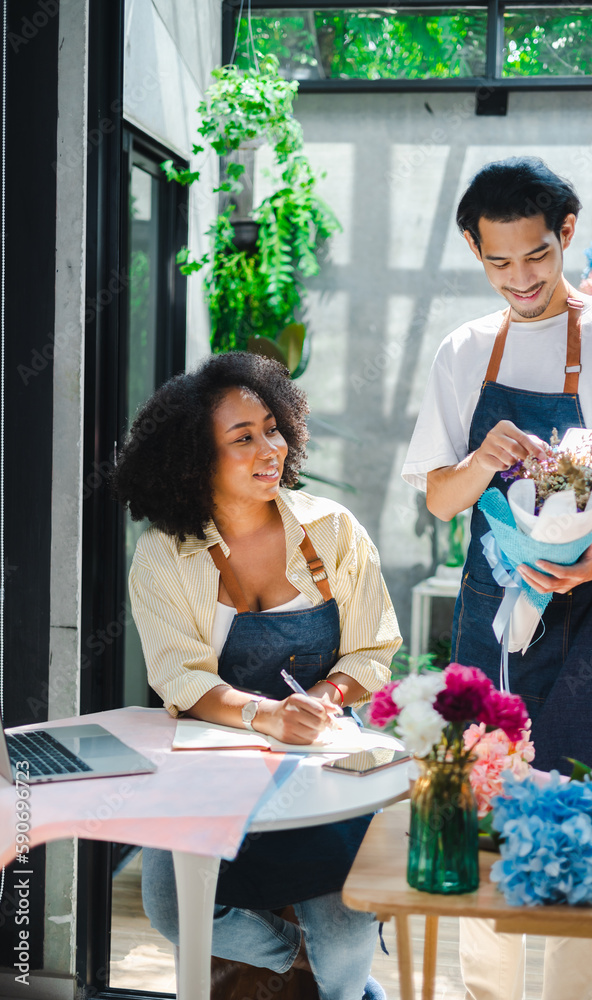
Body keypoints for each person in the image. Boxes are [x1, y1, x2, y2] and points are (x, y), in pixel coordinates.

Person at [402, 156, 592, 1000]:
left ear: (567, 235)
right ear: (475, 253)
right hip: (490, 619)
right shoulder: (462, 351)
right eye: (497, 262)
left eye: (536, 257)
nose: (519, 279)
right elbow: (443, 500)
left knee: (580, 818)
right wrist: (482, 456)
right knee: (489, 821)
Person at [113, 351, 401, 1000]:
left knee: (347, 936)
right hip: (210, 754)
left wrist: (325, 700)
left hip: (324, 758)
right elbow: (177, 676)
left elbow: (373, 651)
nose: (268, 448)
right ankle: (293, 959)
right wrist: (262, 714)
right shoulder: (165, 554)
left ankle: (345, 988)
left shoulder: (333, 531)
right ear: (196, 459)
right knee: (172, 907)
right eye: (242, 438)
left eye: (272, 428)